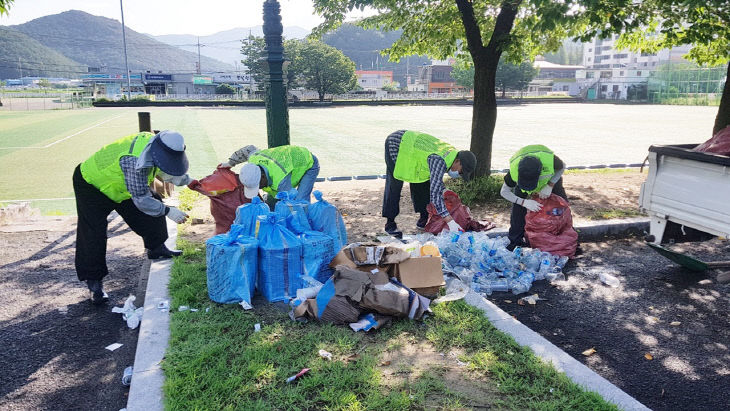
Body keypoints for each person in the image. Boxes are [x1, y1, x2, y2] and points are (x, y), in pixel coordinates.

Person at [73, 130, 193, 304]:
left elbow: (162, 167)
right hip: (93, 185)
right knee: (93, 232)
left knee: (155, 202)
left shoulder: (157, 145)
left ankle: (156, 248)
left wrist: (187, 180)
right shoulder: (133, 161)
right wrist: (169, 212)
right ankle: (94, 283)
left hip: (121, 185)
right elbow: (142, 200)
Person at [382, 129, 477, 237]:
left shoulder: (452, 156)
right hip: (397, 144)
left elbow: (435, 182)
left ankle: (423, 219)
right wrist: (450, 221)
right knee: (395, 183)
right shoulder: (440, 160)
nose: (459, 175)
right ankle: (390, 224)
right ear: (458, 161)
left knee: (422, 182)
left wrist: (444, 191)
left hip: (413, 152)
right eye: (461, 171)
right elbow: (435, 194)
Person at [499, 144, 567, 251]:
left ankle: (566, 238)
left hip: (550, 179)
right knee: (517, 209)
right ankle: (515, 241)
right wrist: (523, 202)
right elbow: (504, 192)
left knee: (562, 206)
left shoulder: (551, 161)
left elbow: (562, 166)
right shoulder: (514, 172)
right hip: (522, 185)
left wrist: (550, 185)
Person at [230, 145, 320, 205]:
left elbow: (292, 204)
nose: (260, 189)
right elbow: (248, 149)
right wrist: (230, 163)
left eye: (258, 185)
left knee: (300, 201)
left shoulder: (281, 181)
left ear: (263, 177)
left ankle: (305, 228)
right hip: (290, 161)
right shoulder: (254, 160)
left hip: (308, 163)